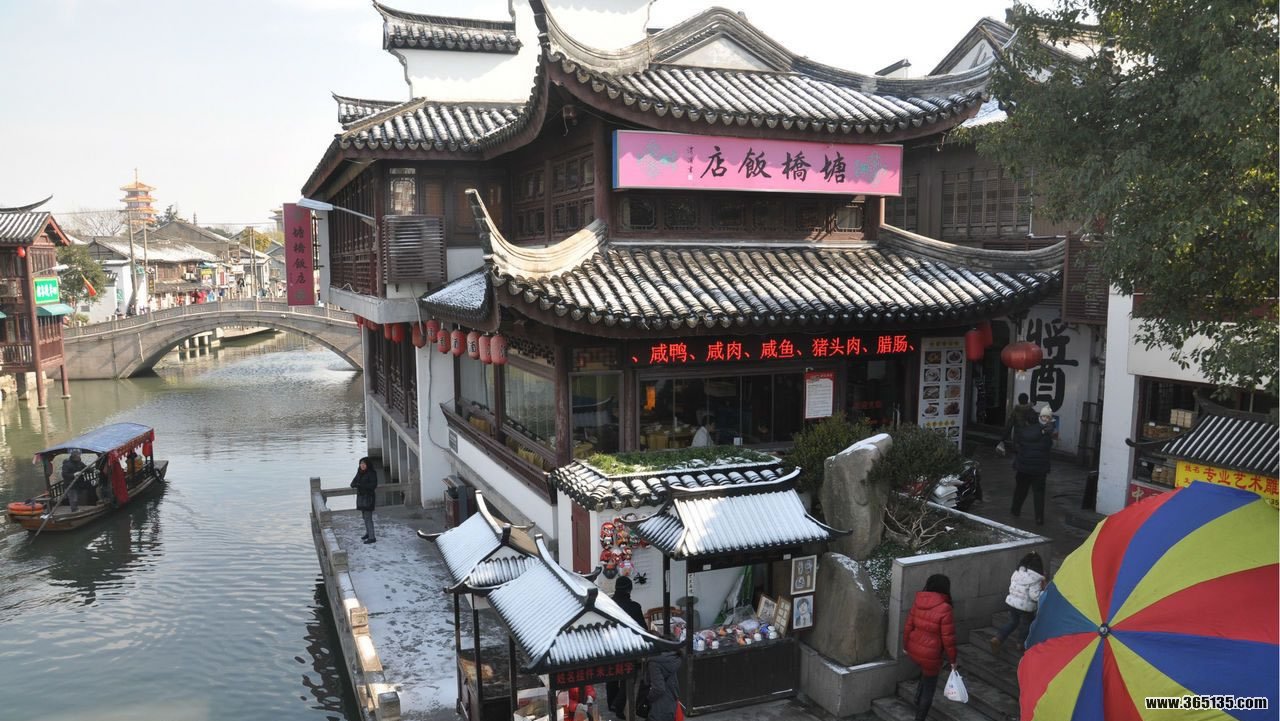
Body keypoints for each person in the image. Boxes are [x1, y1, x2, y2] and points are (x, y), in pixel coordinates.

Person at [903, 574, 958, 721]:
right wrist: (953, 660)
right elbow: (948, 639)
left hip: (914, 648)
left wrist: (905, 646)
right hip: (931, 654)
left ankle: (917, 698)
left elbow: (908, 626)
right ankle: (920, 717)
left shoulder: (919, 600)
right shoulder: (945, 608)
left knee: (925, 674)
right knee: (930, 687)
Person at [607, 577, 647, 716]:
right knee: (628, 676)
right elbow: (643, 629)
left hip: (610, 647)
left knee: (611, 676)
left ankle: (611, 703)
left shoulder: (607, 604)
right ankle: (619, 705)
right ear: (630, 589)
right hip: (628, 648)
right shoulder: (634, 607)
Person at [992, 552, 1046, 653]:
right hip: (1026, 607)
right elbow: (1034, 596)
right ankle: (1020, 643)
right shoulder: (1036, 578)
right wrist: (1044, 592)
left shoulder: (1017, 573)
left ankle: (998, 638)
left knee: (1013, 622)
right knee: (1026, 625)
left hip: (1012, 603)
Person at [1011, 405, 1057, 524]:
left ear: (1026, 421)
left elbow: (1016, 447)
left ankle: (1015, 510)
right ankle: (1039, 518)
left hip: (1023, 468)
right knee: (1039, 493)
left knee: (1020, 490)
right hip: (1040, 469)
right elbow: (1048, 447)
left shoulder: (1022, 432)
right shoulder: (1045, 434)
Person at [646, 640, 682, 721]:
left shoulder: (654, 662)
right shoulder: (674, 657)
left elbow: (658, 688)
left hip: (658, 706)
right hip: (671, 699)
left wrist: (648, 698)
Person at [350, 457, 378, 544]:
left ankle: (372, 537)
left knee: (368, 517)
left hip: (369, 498)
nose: (362, 465)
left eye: (364, 464)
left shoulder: (372, 473)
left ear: (367, 464)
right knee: (364, 517)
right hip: (361, 498)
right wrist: (355, 484)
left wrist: (361, 485)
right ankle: (368, 533)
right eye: (361, 464)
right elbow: (353, 483)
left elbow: (373, 485)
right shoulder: (359, 472)